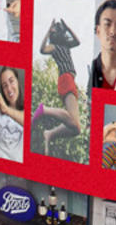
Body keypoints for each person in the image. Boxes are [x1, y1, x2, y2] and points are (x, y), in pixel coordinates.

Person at [30, 17, 84, 156]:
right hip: (66, 78)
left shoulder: (66, 46)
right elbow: (42, 49)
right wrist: (48, 30)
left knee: (76, 128)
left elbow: (78, 41)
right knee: (73, 120)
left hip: (69, 79)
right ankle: (44, 110)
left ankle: (50, 134)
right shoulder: (54, 47)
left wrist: (67, 26)